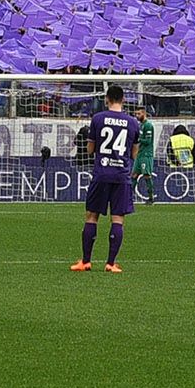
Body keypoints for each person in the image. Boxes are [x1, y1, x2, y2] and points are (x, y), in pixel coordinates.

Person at [72, 84, 138, 274]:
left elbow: (90, 150)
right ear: (123, 100)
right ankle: (110, 263)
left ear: (106, 99)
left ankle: (85, 262)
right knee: (117, 219)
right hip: (121, 176)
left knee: (92, 216)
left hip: (101, 174)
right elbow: (134, 153)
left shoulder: (98, 118)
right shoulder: (133, 122)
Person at [131, 106, 157, 203]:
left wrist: (137, 139)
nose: (137, 116)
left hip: (146, 154)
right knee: (134, 175)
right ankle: (128, 198)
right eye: (136, 114)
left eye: (139, 114)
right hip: (140, 154)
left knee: (147, 175)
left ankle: (151, 198)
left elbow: (148, 141)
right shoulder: (141, 125)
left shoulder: (148, 125)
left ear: (144, 113)